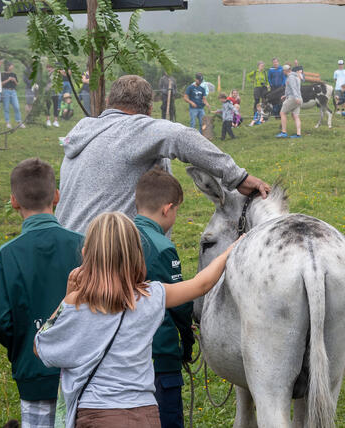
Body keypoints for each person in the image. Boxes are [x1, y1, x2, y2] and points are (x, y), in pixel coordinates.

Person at [34, 211, 238, 428]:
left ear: (86, 254)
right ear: (136, 254)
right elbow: (201, 284)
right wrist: (229, 251)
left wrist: (66, 298)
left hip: (96, 413)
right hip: (145, 414)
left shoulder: (77, 302)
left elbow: (41, 346)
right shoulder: (152, 296)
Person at [55, 74, 270, 234]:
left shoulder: (83, 131)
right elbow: (181, 137)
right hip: (102, 259)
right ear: (149, 112)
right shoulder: (134, 128)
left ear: (109, 103)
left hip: (64, 251)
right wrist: (238, 177)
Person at [0, 158, 84, 428]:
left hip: (33, 372)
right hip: (83, 373)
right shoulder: (83, 245)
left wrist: (26, 344)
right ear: (56, 196)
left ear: (13, 201)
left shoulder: (7, 255)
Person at [134, 169, 194, 428]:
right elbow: (179, 304)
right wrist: (187, 342)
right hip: (159, 357)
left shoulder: (116, 238)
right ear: (168, 209)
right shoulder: (162, 247)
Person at [276, 65, 302, 139]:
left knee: (282, 113)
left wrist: (295, 97)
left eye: (283, 71)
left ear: (286, 71)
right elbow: (296, 88)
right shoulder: (296, 76)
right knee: (296, 116)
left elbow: (293, 88)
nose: (283, 72)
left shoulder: (290, 78)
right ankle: (298, 134)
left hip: (293, 98)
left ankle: (283, 132)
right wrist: (285, 95)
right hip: (299, 98)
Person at [1, 61, 24, 129]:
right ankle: (8, 123)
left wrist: (14, 81)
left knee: (17, 107)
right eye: (11, 65)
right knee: (6, 107)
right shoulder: (2, 74)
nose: (12, 66)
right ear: (8, 66)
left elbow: (17, 84)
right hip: (5, 91)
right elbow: (1, 84)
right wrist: (8, 80)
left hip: (13, 91)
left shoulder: (14, 74)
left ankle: (19, 122)